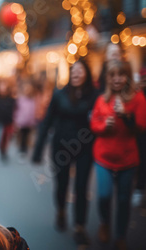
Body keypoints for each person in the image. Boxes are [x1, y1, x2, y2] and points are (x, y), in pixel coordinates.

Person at [32, 59, 98, 246]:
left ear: (87, 73)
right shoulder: (59, 94)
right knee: (62, 184)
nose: (76, 73)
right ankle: (60, 210)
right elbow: (47, 121)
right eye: (73, 70)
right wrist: (38, 150)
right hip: (61, 146)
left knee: (81, 187)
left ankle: (79, 226)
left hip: (85, 147)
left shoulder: (94, 95)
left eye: (80, 70)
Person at [90, 60, 146, 250]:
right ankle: (105, 223)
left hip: (128, 160)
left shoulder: (137, 98)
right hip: (103, 157)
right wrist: (104, 125)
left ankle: (120, 235)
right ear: (108, 78)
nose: (116, 79)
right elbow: (94, 125)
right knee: (104, 195)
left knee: (123, 200)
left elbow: (140, 127)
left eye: (121, 75)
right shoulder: (102, 99)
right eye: (113, 75)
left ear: (127, 77)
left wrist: (126, 116)